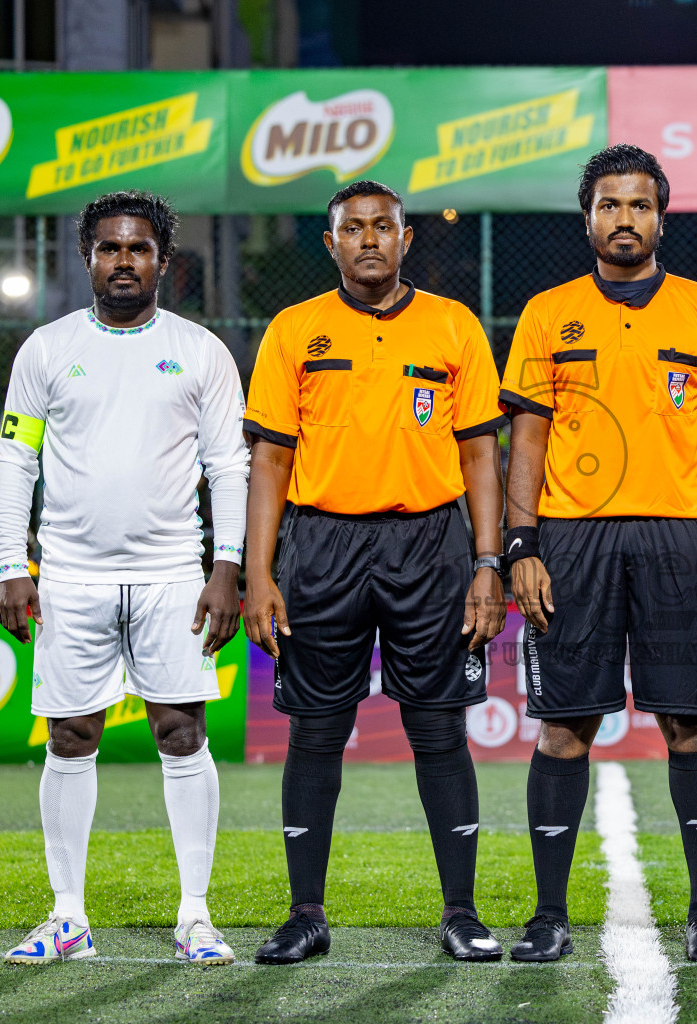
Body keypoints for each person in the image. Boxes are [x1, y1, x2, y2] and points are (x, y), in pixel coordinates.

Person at [499, 145, 697, 964]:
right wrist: (522, 545)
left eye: (639, 205)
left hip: (683, 536)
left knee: (691, 725)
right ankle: (547, 915)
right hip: (572, 540)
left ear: (661, 216)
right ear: (588, 218)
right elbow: (525, 440)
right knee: (564, 727)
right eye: (609, 205)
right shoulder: (546, 314)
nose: (624, 219)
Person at [242, 180, 508, 965]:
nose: (368, 239)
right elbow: (270, 460)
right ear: (331, 243)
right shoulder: (294, 331)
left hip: (430, 545)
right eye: (352, 228)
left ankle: (460, 910)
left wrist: (488, 562)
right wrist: (259, 573)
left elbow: (478, 456)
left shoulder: (453, 326)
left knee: (438, 730)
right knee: (317, 731)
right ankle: (305, 913)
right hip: (321, 545)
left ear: (405, 239)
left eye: (382, 227)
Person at [0, 190, 249, 966]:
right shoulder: (45, 348)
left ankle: (196, 916)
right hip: (70, 575)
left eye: (139, 249)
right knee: (70, 736)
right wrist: (12, 563)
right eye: (109, 248)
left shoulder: (201, 350)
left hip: (174, 571)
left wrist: (226, 566)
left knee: (182, 731)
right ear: (87, 258)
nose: (124, 261)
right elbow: (16, 459)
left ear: (163, 261)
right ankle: (68, 916)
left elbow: (227, 465)